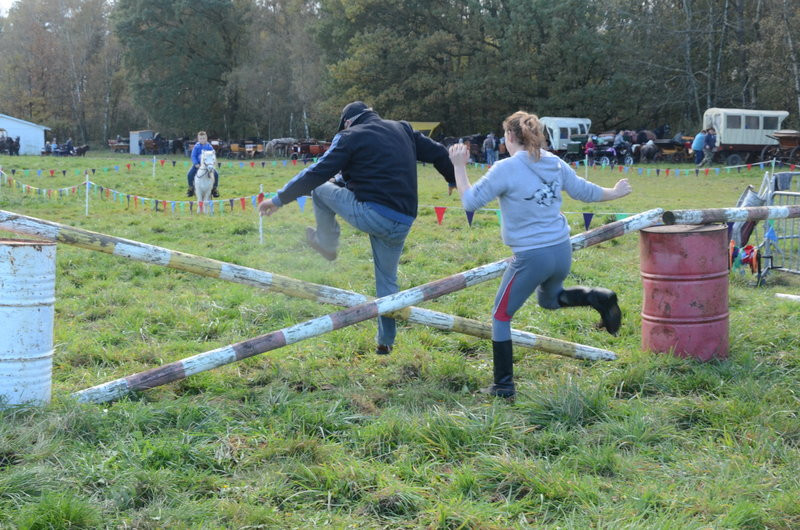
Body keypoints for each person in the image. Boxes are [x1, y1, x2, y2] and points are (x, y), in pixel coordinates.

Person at [448, 111, 632, 399]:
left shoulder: (506, 168)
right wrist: (615, 191)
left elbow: (471, 201)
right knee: (548, 300)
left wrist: (459, 166)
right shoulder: (553, 162)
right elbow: (584, 191)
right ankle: (597, 297)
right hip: (561, 250)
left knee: (500, 315)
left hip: (532, 256)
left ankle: (503, 386)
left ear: (509, 137)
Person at [258, 101, 456, 355]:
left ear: (348, 122)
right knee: (387, 280)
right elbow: (438, 152)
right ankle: (386, 343)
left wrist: (278, 199)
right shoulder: (402, 129)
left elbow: (317, 173)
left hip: (374, 213)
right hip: (403, 220)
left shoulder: (349, 136)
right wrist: (451, 177)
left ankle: (327, 244)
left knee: (319, 189)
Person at [186, 131, 219, 198]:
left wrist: (213, 163)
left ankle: (214, 189)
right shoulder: (196, 146)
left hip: (208, 166)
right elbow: (193, 156)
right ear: (198, 139)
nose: (202, 140)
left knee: (216, 174)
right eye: (201, 138)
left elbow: (213, 155)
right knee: (189, 174)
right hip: (198, 165)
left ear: (206, 138)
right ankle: (191, 189)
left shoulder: (209, 147)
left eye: (204, 138)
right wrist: (195, 163)